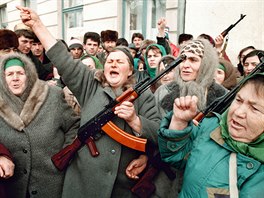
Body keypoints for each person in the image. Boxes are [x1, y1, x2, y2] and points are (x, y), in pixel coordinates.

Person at [18, 6, 161, 198]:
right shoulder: (90, 85)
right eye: (110, 61)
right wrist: (37, 25)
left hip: (123, 187)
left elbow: (159, 135)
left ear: (130, 71)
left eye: (120, 62)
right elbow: (63, 59)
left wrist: (135, 120)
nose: (114, 64)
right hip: (84, 185)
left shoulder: (144, 96)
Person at [158, 72, 264, 197]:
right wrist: (179, 122)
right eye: (239, 100)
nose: (238, 112)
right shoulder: (211, 126)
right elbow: (175, 157)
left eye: (255, 108)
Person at [0, 52, 80, 197]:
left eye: (20, 73)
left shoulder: (52, 95)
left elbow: (74, 125)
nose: (15, 78)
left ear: (29, 75)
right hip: (13, 187)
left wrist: (66, 154)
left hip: (51, 183)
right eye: (9, 74)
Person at [155, 38, 227, 117]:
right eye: (182, 60)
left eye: (193, 60)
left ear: (206, 65)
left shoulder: (223, 96)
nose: (185, 65)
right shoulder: (164, 92)